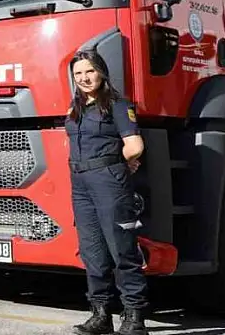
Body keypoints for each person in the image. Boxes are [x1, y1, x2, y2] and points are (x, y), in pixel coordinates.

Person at [67, 50, 149, 335]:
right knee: (92, 251)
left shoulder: (117, 104)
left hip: (108, 181)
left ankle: (134, 318)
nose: (84, 78)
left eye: (89, 71)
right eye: (78, 74)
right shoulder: (75, 108)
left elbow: (135, 146)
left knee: (121, 249)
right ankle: (100, 315)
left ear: (101, 72)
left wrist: (119, 164)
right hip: (80, 183)